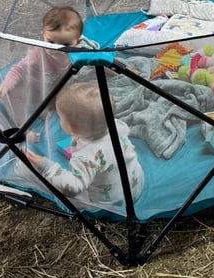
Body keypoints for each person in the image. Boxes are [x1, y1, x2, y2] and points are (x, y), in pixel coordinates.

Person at [25, 82, 144, 213]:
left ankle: (24, 172)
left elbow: (74, 187)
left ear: (72, 128)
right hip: (135, 184)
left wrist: (47, 167)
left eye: (60, 118)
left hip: (112, 203)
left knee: (63, 192)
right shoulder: (117, 125)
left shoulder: (86, 156)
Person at [0, 6, 97, 141]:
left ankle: (53, 109)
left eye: (65, 44)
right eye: (51, 42)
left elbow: (95, 61)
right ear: (43, 35)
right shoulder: (38, 55)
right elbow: (19, 69)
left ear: (77, 42)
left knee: (84, 98)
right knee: (14, 94)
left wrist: (112, 70)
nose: (56, 49)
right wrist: (6, 84)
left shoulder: (79, 49)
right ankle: (23, 129)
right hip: (37, 90)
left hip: (61, 87)